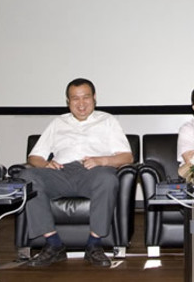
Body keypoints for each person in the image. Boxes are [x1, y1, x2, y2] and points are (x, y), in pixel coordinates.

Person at [18, 78, 133, 268]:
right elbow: (34, 157)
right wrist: (45, 164)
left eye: (86, 97)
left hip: (94, 172)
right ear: (67, 101)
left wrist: (101, 160)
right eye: (75, 98)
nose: (81, 104)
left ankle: (94, 245)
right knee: (27, 177)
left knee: (108, 179)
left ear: (94, 98)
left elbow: (127, 157)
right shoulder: (58, 122)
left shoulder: (107, 120)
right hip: (61, 172)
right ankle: (54, 244)